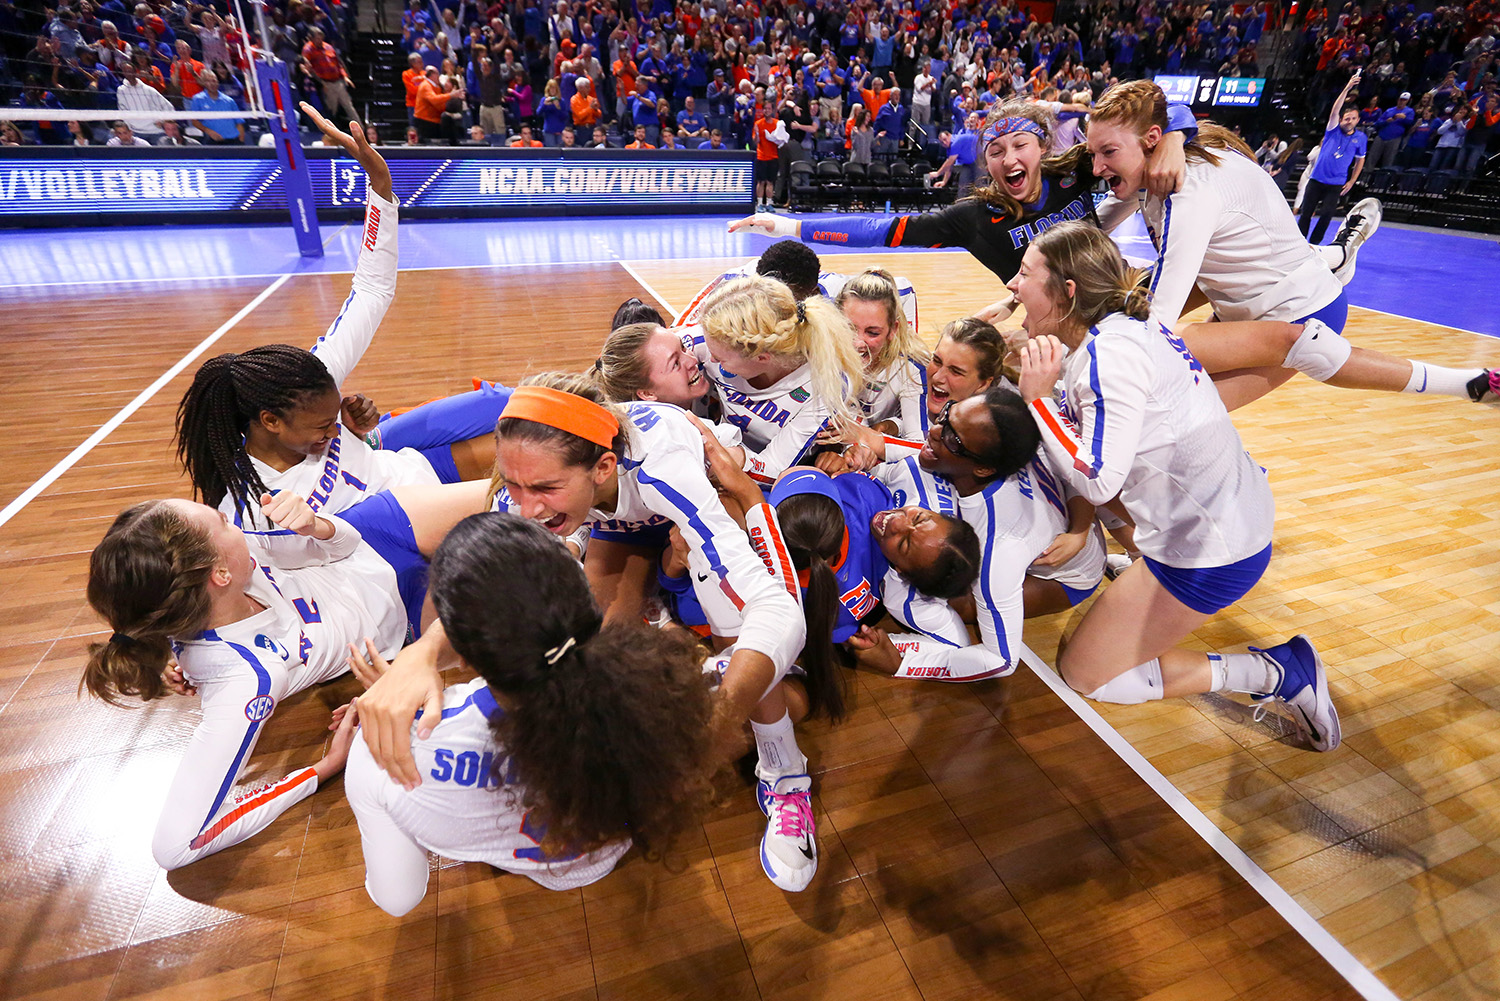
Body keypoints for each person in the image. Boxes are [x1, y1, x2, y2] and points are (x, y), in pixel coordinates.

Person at [359, 378, 818, 892]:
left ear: (602, 467)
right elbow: (492, 585)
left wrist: (707, 734)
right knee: (583, 621)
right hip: (609, 512)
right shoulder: (548, 462)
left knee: (740, 626)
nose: (525, 505)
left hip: (698, 492)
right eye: (512, 483)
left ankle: (785, 772)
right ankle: (656, 613)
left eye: (542, 488)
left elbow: (780, 610)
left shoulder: (665, 467)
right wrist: (421, 656)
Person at [1012, 221, 1339, 751]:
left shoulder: (1106, 356)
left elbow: (1098, 482)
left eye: (1025, 273)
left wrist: (1038, 400)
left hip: (1214, 551)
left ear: (1066, 292)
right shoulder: (1121, 331)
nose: (1011, 284)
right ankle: (1138, 567)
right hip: (1226, 516)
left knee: (1089, 675)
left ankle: (1276, 672)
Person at [81, 478, 484, 869]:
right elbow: (176, 846)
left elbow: (344, 545)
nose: (234, 522)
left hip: (375, 533)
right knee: (533, 579)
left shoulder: (221, 569)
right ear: (219, 574)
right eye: (222, 523)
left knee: (517, 498)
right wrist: (322, 769)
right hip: (408, 613)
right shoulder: (244, 680)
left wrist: (317, 525)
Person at [343, 513, 715, 915]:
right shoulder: (670, 685)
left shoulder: (379, 759)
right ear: (583, 600)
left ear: (466, 654)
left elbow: (399, 900)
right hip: (612, 843)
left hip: (529, 855)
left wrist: (418, 668)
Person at [174, 107, 508, 530]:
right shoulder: (259, 509)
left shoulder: (306, 387)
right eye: (322, 425)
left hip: (399, 464)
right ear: (271, 423)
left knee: (510, 408)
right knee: (521, 482)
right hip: (408, 518)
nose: (332, 429)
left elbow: (371, 291)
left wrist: (381, 188)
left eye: (331, 420)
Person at [1086, 80, 1497, 409]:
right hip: (1250, 307)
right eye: (1094, 153)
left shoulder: (1190, 189)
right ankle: (1333, 255)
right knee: (1144, 358)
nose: (1096, 166)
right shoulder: (1157, 163)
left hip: (1300, 312)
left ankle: (1469, 382)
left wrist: (1078, 359)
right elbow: (1088, 228)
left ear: (1153, 139)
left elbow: (1159, 317)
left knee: (1173, 396)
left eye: (1108, 152)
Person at [1298, 71, 1367, 245]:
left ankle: (1314, 243)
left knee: (1327, 215)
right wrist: (1348, 87)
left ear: (1358, 120)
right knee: (1306, 213)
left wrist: (1352, 181)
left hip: (1336, 183)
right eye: (1346, 118)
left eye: (1352, 119)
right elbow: (1335, 110)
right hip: (1317, 179)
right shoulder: (1332, 130)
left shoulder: (1361, 138)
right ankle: (1299, 242)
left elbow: (1360, 161)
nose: (1348, 121)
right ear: (1341, 120)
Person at [186, 70, 245, 144]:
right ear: (204, 83)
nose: (212, 84)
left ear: (217, 82)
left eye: (214, 81)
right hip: (213, 142)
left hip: (233, 141)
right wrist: (208, 131)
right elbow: (194, 121)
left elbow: (239, 122)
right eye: (208, 81)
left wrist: (241, 140)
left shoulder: (229, 100)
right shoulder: (197, 99)